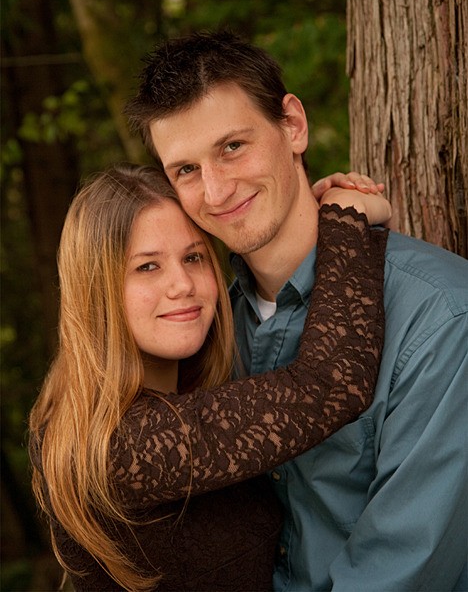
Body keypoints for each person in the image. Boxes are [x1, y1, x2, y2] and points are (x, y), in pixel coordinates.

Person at [125, 30, 468, 592]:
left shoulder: (441, 318)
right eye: (185, 169)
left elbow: (403, 569)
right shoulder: (201, 327)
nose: (215, 191)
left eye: (232, 147)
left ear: (293, 126)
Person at [29, 162, 389, 592]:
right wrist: (346, 220)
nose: (182, 284)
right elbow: (331, 386)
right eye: (147, 267)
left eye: (194, 256)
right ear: (97, 289)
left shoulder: (186, 395)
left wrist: (298, 221)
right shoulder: (118, 444)